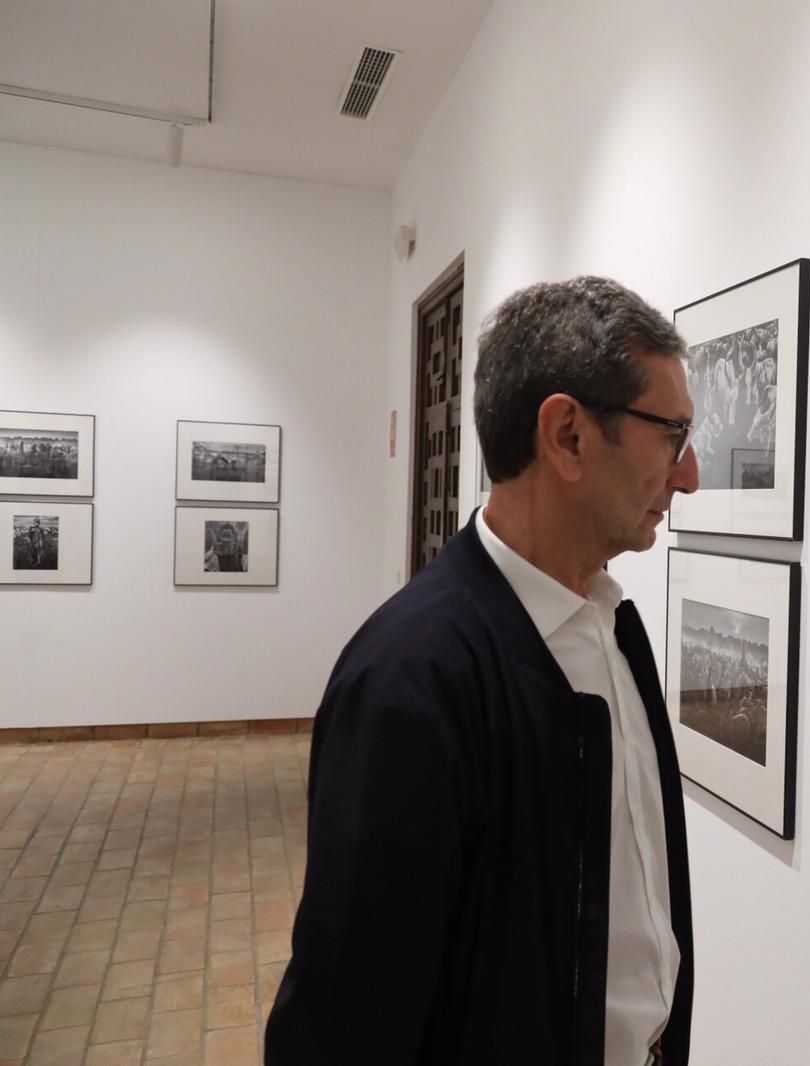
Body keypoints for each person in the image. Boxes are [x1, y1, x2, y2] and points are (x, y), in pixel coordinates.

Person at [265, 276, 700, 1066]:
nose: (689, 472)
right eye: (672, 434)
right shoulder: (409, 678)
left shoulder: (614, 632)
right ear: (568, 437)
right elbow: (343, 1021)